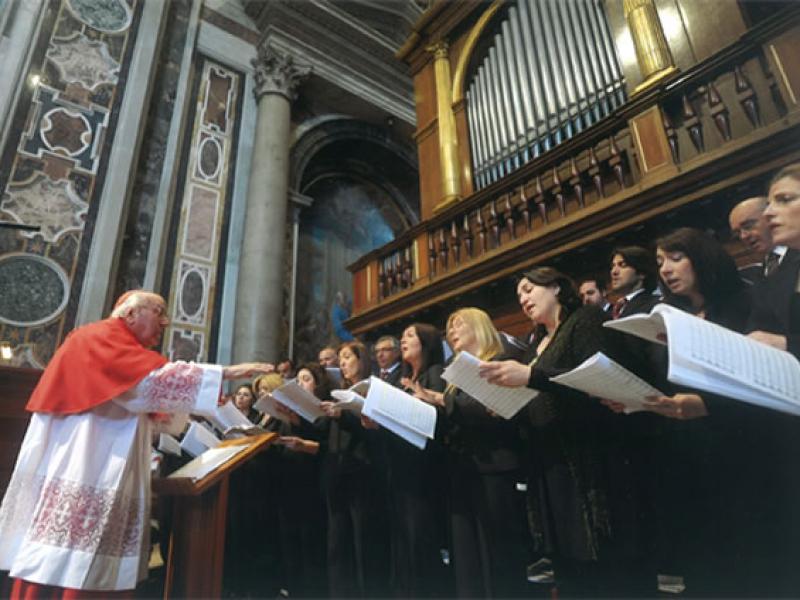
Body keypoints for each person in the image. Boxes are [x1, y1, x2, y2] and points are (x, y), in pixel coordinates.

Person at [0, 290, 271, 598]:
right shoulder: (99, 338)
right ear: (130, 314)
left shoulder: (120, 346)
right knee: (68, 556)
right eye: (159, 311)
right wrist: (227, 372)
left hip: (101, 452)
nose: (166, 321)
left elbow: (156, 404)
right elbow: (146, 385)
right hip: (86, 457)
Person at [478, 267, 651, 597]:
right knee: (568, 566)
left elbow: (598, 381)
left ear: (556, 286)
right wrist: (503, 404)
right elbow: (536, 396)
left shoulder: (584, 320)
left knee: (604, 567)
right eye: (519, 296)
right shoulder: (535, 345)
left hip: (588, 458)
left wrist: (530, 377)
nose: (523, 299)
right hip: (549, 463)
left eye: (529, 289)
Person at [642, 228, 756, 595]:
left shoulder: (745, 303)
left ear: (702, 257)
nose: (666, 270)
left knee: (742, 559)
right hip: (684, 448)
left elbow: (759, 382)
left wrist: (705, 405)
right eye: (660, 262)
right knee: (700, 559)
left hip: (739, 446)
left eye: (676, 258)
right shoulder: (671, 318)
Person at [443, 308, 529, 598]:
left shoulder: (502, 361)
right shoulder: (455, 373)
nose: (452, 331)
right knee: (466, 555)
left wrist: (444, 403)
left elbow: (493, 410)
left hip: (495, 467)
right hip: (463, 467)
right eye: (449, 328)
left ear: (479, 326)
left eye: (458, 324)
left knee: (497, 553)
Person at [381, 323, 450, 597]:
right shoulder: (403, 377)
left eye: (410, 335)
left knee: (421, 538)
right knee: (402, 541)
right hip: (400, 468)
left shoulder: (436, 373)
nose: (403, 340)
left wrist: (421, 401)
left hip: (424, 471)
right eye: (402, 336)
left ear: (427, 342)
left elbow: (439, 421)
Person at [319, 341, 389, 598]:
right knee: (338, 543)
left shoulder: (374, 389)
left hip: (363, 472)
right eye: (340, 358)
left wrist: (343, 416)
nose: (343, 363)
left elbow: (374, 432)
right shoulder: (339, 390)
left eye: (348, 357)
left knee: (364, 542)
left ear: (362, 360)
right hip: (337, 471)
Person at [266, 363, 330, 598]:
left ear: (318, 384)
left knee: (309, 544)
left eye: (306, 379)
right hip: (288, 483)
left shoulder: (323, 411)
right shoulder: (289, 412)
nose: (301, 383)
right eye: (299, 379)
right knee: (289, 543)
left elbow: (324, 444)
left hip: (312, 485)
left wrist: (299, 429)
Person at [729, 195, 787, 282]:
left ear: (773, 217)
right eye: (737, 233)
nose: (743, 236)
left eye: (748, 226)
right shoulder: (756, 278)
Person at [608, 245, 659, 318]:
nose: (613, 271)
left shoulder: (655, 305)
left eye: (622, 265)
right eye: (613, 266)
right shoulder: (614, 309)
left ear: (641, 273)